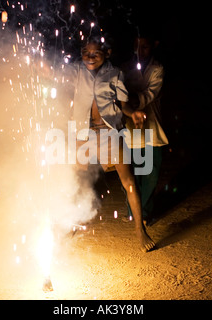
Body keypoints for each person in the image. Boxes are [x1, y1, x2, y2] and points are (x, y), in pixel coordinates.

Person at [65, 36, 156, 252]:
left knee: (128, 180)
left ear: (107, 53)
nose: (90, 57)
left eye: (95, 53)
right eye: (85, 52)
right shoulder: (75, 71)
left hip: (110, 132)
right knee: (75, 181)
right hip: (83, 134)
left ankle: (139, 230)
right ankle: (71, 223)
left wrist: (133, 113)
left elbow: (122, 106)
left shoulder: (115, 74)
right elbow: (58, 83)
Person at [122, 33, 169, 225]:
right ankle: (133, 212)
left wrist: (128, 102)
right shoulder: (124, 69)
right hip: (130, 130)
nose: (140, 52)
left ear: (154, 45)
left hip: (151, 129)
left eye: (145, 47)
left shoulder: (157, 69)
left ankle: (145, 213)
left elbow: (150, 94)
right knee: (132, 174)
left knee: (150, 173)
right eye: (136, 47)